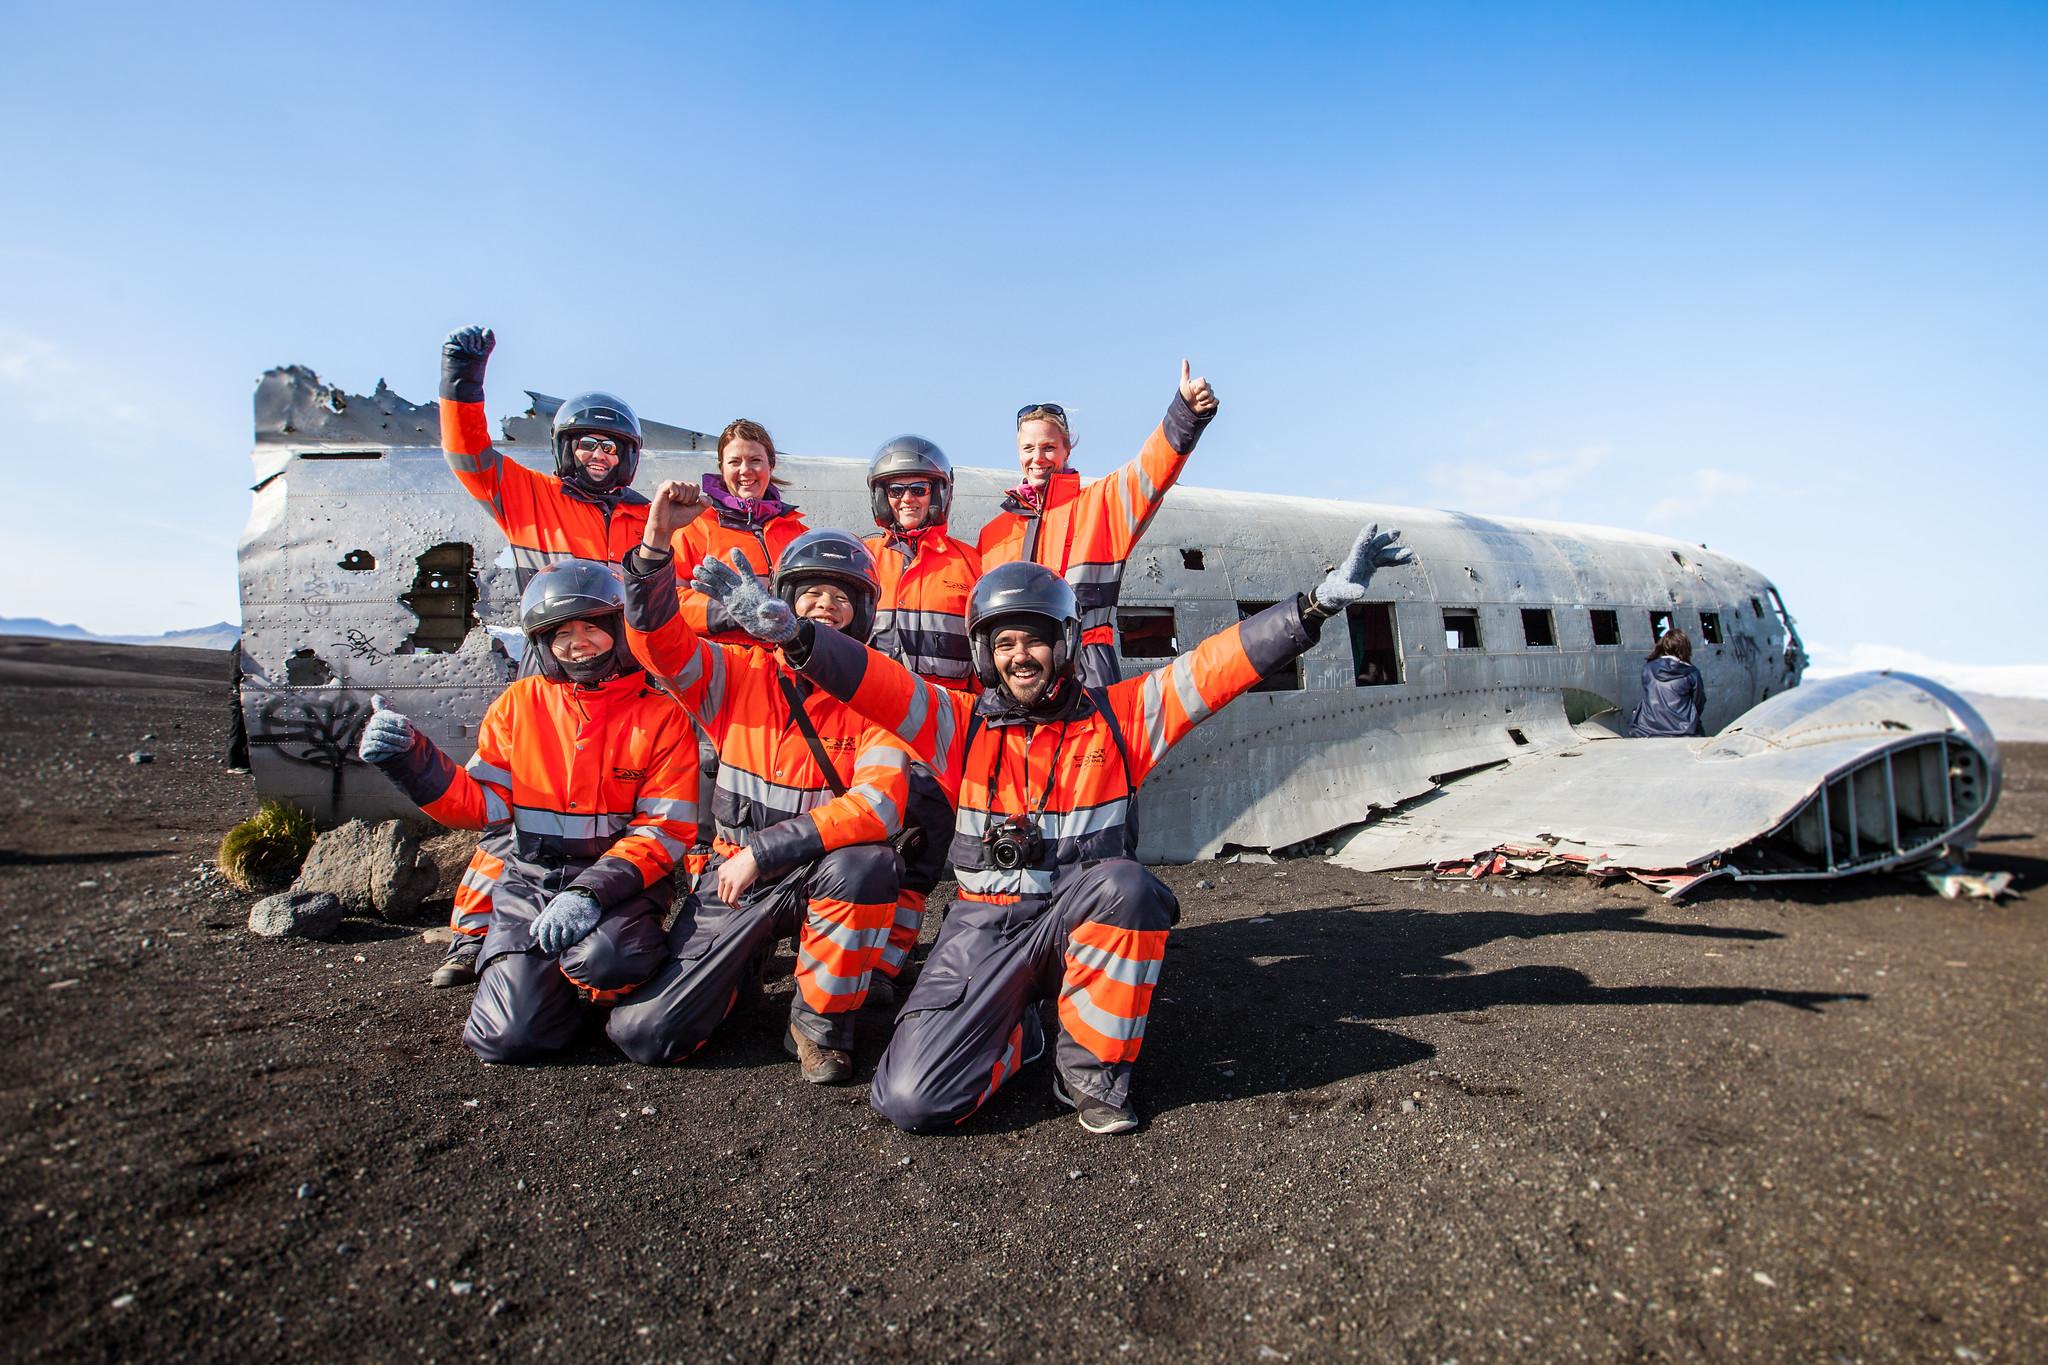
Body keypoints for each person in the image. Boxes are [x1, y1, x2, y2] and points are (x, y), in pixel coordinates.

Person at [693, 520, 1415, 1134]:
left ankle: (1091, 1071)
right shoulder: (955, 725)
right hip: (986, 926)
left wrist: (1316, 605)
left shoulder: (1123, 717)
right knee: (911, 1100)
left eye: (1033, 640)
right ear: (984, 653)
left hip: (1074, 920)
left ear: (1065, 643)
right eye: (1002, 643)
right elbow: (871, 679)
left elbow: (1217, 665)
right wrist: (792, 634)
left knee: (1128, 888)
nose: (1019, 656)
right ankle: (1020, 1032)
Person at [614, 489, 911, 1082]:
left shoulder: (879, 689)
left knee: (870, 865)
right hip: (732, 879)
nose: (824, 605)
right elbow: (658, 647)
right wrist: (653, 550)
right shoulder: (735, 674)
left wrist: (764, 850)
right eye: (810, 593)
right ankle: (738, 975)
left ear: (863, 610)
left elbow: (879, 806)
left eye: (839, 596)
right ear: (783, 601)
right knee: (648, 1035)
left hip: (809, 873)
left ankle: (817, 1025)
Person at [356, 560, 699, 1065]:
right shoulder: (518, 705)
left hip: (622, 885)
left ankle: (606, 987)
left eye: (592, 627)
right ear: (542, 644)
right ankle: (545, 988)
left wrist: (589, 892)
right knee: (509, 1041)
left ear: (617, 630)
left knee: (610, 960)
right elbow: (481, 804)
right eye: (560, 633)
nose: (577, 643)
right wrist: (410, 759)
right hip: (531, 881)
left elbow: (665, 827)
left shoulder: (661, 714)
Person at [431, 324, 655, 987]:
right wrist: (461, 381)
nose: (598, 454)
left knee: (620, 813)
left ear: (630, 456)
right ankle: (470, 938)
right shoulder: (529, 496)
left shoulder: (649, 521)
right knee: (514, 813)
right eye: (586, 442)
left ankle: (606, 920)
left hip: (628, 686)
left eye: (612, 446)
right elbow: (467, 453)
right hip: (546, 680)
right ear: (565, 448)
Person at [978, 362, 1219, 688]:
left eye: (1049, 447)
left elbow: (1149, 473)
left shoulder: (1101, 505)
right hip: (1019, 678)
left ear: (1067, 449)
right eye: (1029, 448)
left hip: (1086, 672)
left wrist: (1185, 413)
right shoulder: (994, 533)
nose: (1038, 457)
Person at [861, 436, 982, 1004]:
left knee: (925, 851)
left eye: (919, 489)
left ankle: (890, 961)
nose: (907, 499)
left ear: (939, 494)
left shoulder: (970, 564)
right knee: (865, 846)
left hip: (941, 735)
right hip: (867, 737)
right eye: (896, 490)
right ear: (881, 498)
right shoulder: (859, 558)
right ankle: (850, 956)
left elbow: (988, 657)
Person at [668, 418, 810, 646]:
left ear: (770, 465)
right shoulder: (695, 527)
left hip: (787, 664)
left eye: (755, 460)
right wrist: (734, 612)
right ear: (722, 468)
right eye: (734, 462)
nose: (745, 471)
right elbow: (667, 601)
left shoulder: (799, 535)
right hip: (723, 664)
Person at [1630, 629, 1708, 737]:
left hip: (1647, 730)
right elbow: (1698, 702)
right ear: (1685, 648)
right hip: (1683, 731)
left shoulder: (1648, 669)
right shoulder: (1692, 672)